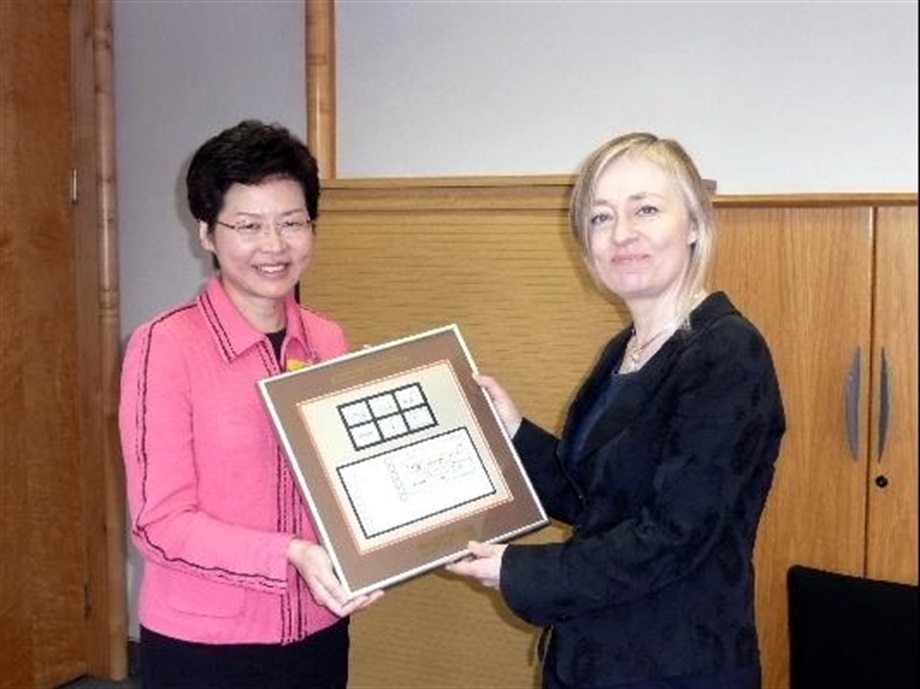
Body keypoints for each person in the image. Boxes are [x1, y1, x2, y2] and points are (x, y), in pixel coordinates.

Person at [448, 132, 785, 689]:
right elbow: (595, 501)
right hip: (594, 654)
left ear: (696, 225)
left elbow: (674, 534)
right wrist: (511, 430)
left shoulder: (727, 353)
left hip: (674, 663)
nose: (622, 234)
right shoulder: (626, 349)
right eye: (601, 218)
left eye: (646, 210)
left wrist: (520, 570)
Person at [118, 119, 381, 689]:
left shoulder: (327, 338)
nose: (274, 246)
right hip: (207, 645)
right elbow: (157, 526)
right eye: (248, 225)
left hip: (319, 624)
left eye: (292, 222)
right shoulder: (164, 346)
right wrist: (289, 553)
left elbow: (343, 482)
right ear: (208, 234)